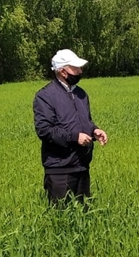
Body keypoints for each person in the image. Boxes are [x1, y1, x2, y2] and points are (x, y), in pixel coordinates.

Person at [33, 49, 108, 206]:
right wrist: (74, 137)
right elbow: (45, 130)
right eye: (76, 68)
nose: (80, 71)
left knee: (83, 218)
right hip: (60, 169)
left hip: (82, 165)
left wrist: (94, 130)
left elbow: (85, 121)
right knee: (61, 219)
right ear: (63, 72)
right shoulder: (45, 97)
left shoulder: (81, 94)